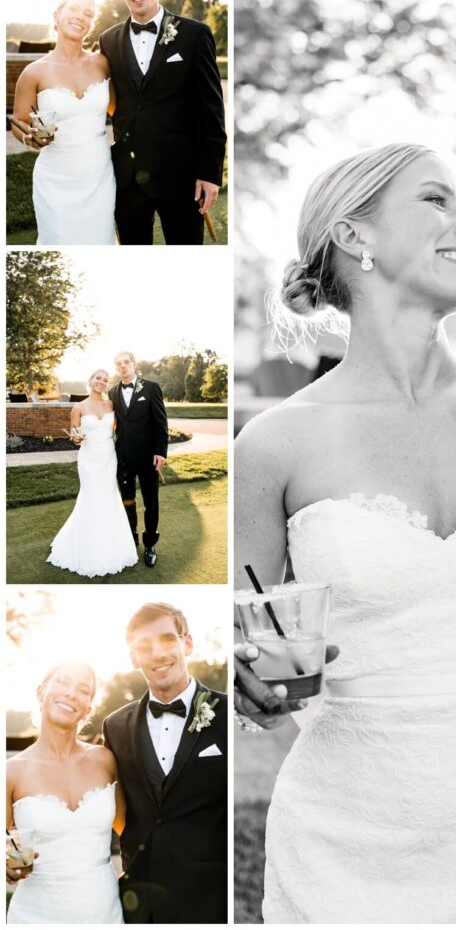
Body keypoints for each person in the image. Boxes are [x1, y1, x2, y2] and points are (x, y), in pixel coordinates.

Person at [234, 143, 456, 922]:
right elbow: (245, 645)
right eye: (437, 200)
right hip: (343, 839)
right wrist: (244, 685)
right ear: (355, 236)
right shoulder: (272, 447)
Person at [102, 603, 227, 924]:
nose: (157, 654)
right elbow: (108, 807)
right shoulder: (114, 727)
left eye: (168, 639)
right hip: (139, 902)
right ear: (133, 657)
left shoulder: (228, 714)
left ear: (187, 643)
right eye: (144, 647)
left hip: (210, 900)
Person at [99, 0, 226, 245]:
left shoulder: (195, 34)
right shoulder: (108, 40)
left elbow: (212, 110)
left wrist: (209, 173)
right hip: (128, 179)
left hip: (182, 178)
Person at [6, 661, 125, 923]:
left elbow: (130, 833)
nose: (71, 693)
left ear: (87, 709)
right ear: (40, 692)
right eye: (61, 681)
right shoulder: (10, 772)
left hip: (104, 913)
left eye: (83, 690)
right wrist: (7, 868)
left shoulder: (105, 760)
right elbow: (6, 848)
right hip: (33, 916)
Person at [11, 0, 116, 245]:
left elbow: (120, 109)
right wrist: (28, 136)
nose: (81, 16)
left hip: (99, 175)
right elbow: (18, 122)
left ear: (91, 24)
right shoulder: (34, 71)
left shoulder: (102, 63)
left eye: (88, 13)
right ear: (57, 16)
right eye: (74, 9)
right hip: (54, 179)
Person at [47, 368, 138, 577]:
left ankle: (112, 545)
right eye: (98, 378)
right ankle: (87, 547)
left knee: (108, 498)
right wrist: (76, 439)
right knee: (90, 498)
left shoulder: (111, 404)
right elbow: (75, 435)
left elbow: (117, 428)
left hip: (108, 457)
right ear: (90, 381)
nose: (102, 382)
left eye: (105, 380)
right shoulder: (78, 408)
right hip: (88, 460)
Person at [109, 352, 168, 567]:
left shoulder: (151, 388)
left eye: (126, 362)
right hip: (122, 457)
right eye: (118, 364)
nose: (123, 366)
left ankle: (150, 544)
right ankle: (131, 541)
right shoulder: (112, 392)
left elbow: (161, 422)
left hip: (148, 457)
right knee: (128, 502)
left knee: (151, 502)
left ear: (134, 364)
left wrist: (160, 451)